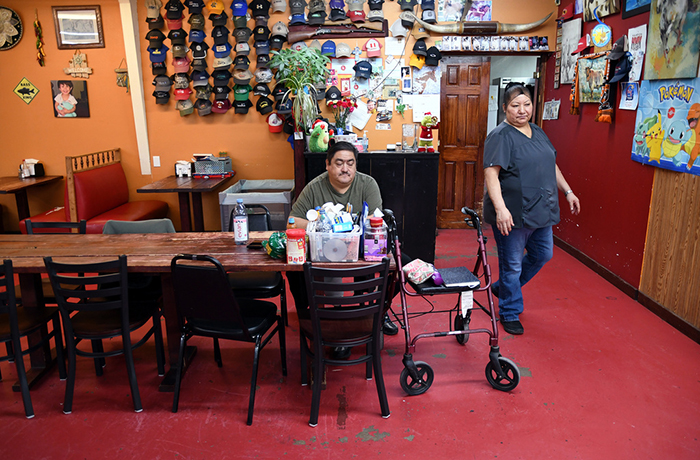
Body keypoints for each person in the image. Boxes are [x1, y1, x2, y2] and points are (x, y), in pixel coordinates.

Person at [483, 83, 581, 335]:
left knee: (543, 255)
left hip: (541, 210)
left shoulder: (537, 131)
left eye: (526, 104)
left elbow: (551, 165)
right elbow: (491, 174)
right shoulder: (500, 136)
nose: (522, 110)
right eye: (515, 105)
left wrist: (568, 191)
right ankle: (509, 310)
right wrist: (501, 209)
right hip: (512, 214)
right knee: (512, 265)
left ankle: (503, 288)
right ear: (505, 108)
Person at [287, 141, 399, 359]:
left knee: (400, 269)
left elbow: (375, 219)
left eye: (350, 163)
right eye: (339, 163)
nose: (345, 169)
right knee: (298, 273)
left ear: (356, 165)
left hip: (362, 250)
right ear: (328, 165)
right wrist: (321, 224)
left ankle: (379, 312)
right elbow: (292, 222)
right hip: (325, 252)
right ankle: (320, 319)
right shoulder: (314, 187)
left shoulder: (367, 184)